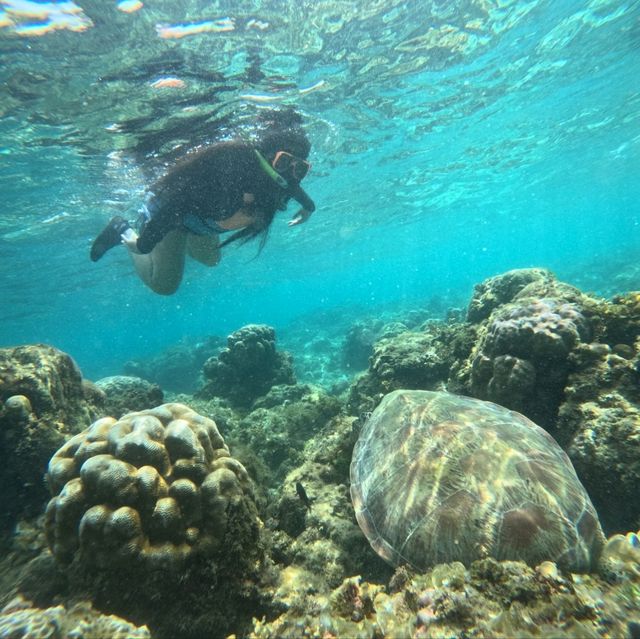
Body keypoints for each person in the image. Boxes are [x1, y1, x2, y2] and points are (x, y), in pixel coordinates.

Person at [90, 109, 316, 295]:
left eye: (301, 167)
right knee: (164, 285)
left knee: (211, 260)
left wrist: (309, 206)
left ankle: (173, 246)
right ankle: (123, 229)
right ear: (266, 158)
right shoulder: (228, 183)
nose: (291, 174)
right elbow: (174, 207)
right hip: (173, 219)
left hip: (202, 220)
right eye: (284, 162)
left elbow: (293, 186)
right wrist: (142, 245)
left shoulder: (281, 183)